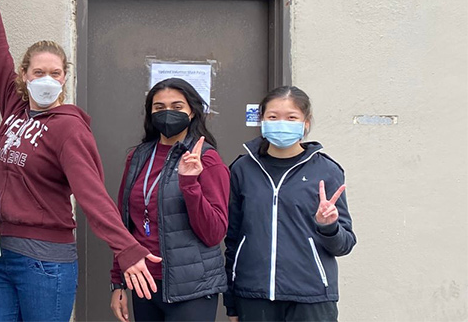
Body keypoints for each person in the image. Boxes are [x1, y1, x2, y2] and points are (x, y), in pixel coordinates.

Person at [0, 0, 160, 320]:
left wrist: (126, 248)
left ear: (64, 78)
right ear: (24, 76)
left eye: (56, 73)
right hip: (0, 255)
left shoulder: (69, 129)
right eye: (39, 72)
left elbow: (92, 194)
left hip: (45, 263)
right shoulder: (13, 108)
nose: (47, 80)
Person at [224, 86, 355, 322]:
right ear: (261, 120)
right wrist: (231, 302)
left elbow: (344, 245)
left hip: (311, 298)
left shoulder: (326, 170)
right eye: (272, 117)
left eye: (291, 117)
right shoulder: (243, 169)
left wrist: (329, 226)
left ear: (306, 123)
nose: (281, 123)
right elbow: (232, 238)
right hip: (253, 295)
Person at [108, 78, 229, 322]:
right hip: (144, 281)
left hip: (192, 289)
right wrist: (118, 281)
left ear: (192, 112)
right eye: (159, 108)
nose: (167, 114)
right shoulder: (139, 156)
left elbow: (214, 233)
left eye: (177, 107)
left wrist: (189, 184)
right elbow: (124, 224)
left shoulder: (206, 159)